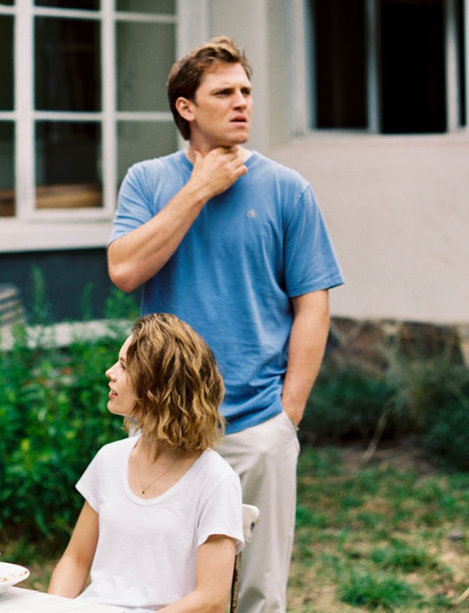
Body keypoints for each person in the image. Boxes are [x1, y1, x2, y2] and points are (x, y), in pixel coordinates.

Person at [108, 37, 343, 613]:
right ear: (186, 108)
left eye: (246, 91)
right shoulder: (147, 181)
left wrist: (288, 414)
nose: (242, 103)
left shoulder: (288, 189)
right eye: (224, 92)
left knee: (259, 590)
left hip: (259, 423)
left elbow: (312, 303)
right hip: (161, 421)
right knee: (167, 585)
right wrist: (199, 190)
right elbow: (125, 269)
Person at [49, 313, 243, 613]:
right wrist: (53, 609)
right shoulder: (109, 459)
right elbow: (75, 560)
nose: (109, 372)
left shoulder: (215, 480)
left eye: (124, 367)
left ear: (159, 387)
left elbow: (212, 599)